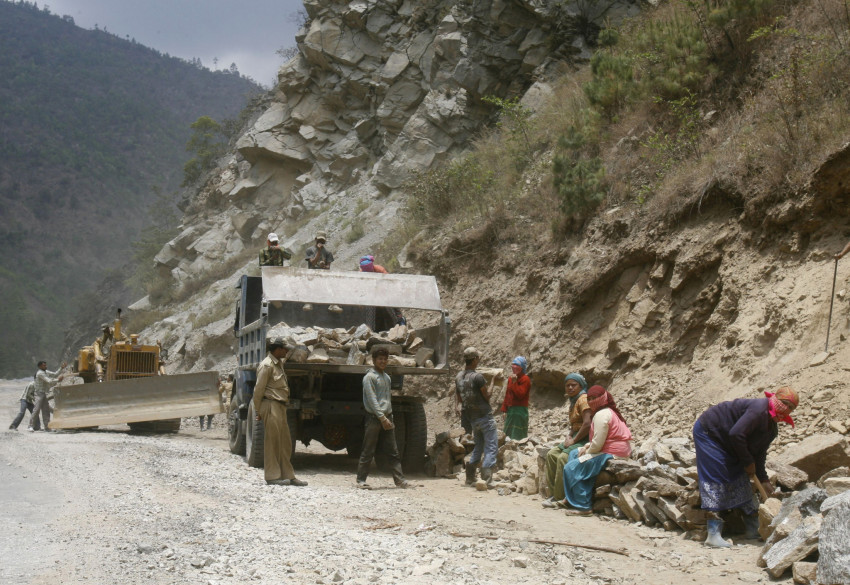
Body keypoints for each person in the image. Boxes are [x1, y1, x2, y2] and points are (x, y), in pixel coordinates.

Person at [693, 386, 798, 547]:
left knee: (740, 477)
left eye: (791, 408)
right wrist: (748, 463)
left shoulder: (771, 429)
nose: (786, 409)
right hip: (710, 433)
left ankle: (753, 528)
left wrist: (763, 479)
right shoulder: (758, 409)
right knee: (717, 475)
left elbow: (760, 454)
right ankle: (713, 534)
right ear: (775, 399)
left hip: (728, 441)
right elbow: (736, 434)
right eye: (784, 404)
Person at [558, 385, 632, 515]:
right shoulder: (607, 411)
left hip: (612, 453)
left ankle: (583, 506)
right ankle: (573, 497)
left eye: (595, 398)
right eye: (589, 398)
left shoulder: (601, 414)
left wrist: (587, 451)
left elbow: (597, 445)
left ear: (602, 398)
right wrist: (586, 447)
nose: (591, 401)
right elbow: (599, 440)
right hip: (611, 450)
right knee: (574, 453)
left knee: (571, 468)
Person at [253, 337, 307, 487]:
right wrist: (259, 411)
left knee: (285, 443)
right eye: (284, 349)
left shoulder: (279, 364)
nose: (287, 351)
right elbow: (258, 391)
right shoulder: (266, 365)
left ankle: (288, 476)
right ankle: (272, 476)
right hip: (270, 405)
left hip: (281, 406)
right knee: (273, 442)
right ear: (277, 349)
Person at [355, 347, 411, 489]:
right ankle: (361, 480)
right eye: (380, 359)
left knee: (393, 450)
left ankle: (400, 480)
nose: (383, 361)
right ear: (373, 360)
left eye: (385, 359)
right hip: (375, 418)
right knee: (368, 449)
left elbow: (387, 399)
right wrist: (382, 417)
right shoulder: (369, 377)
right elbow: (372, 399)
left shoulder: (387, 377)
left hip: (387, 417)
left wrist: (388, 417)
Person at [542, 373, 591, 507]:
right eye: (567, 385)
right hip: (576, 436)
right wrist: (569, 436)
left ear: (580, 386)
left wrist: (574, 441)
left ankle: (561, 496)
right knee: (552, 455)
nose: (570, 388)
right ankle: (553, 493)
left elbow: (587, 424)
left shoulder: (583, 399)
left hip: (585, 439)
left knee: (564, 457)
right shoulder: (573, 401)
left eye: (573, 385)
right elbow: (575, 424)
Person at [455, 347, 498, 486]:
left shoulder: (459, 377)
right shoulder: (478, 377)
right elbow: (487, 396)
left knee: (478, 446)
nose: (478, 360)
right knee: (491, 446)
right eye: (478, 358)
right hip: (485, 416)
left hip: (472, 418)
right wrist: (492, 381)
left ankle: (470, 477)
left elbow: (459, 397)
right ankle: (486, 478)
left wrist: (458, 406)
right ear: (474, 360)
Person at [359, 255, 406, 325]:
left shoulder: (380, 270)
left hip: (384, 291)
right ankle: (370, 328)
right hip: (371, 295)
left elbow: (390, 282)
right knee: (369, 308)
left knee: (390, 303)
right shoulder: (360, 274)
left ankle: (399, 320)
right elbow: (361, 287)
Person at [30, 360, 66, 432]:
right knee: (36, 409)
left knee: (46, 410)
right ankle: (30, 426)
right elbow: (49, 381)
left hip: (43, 393)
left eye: (46, 365)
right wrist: (58, 380)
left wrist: (61, 368)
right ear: (40, 366)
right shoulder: (40, 373)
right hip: (38, 393)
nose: (46, 366)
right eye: (44, 365)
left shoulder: (45, 372)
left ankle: (47, 427)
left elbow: (55, 374)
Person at [500, 356, 530, 440]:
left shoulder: (525, 379)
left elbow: (520, 395)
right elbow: (508, 394)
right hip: (510, 410)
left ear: (522, 367)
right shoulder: (511, 378)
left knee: (518, 436)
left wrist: (514, 382)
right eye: (513, 364)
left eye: (517, 365)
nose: (514, 367)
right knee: (507, 435)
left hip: (520, 411)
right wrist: (504, 409)